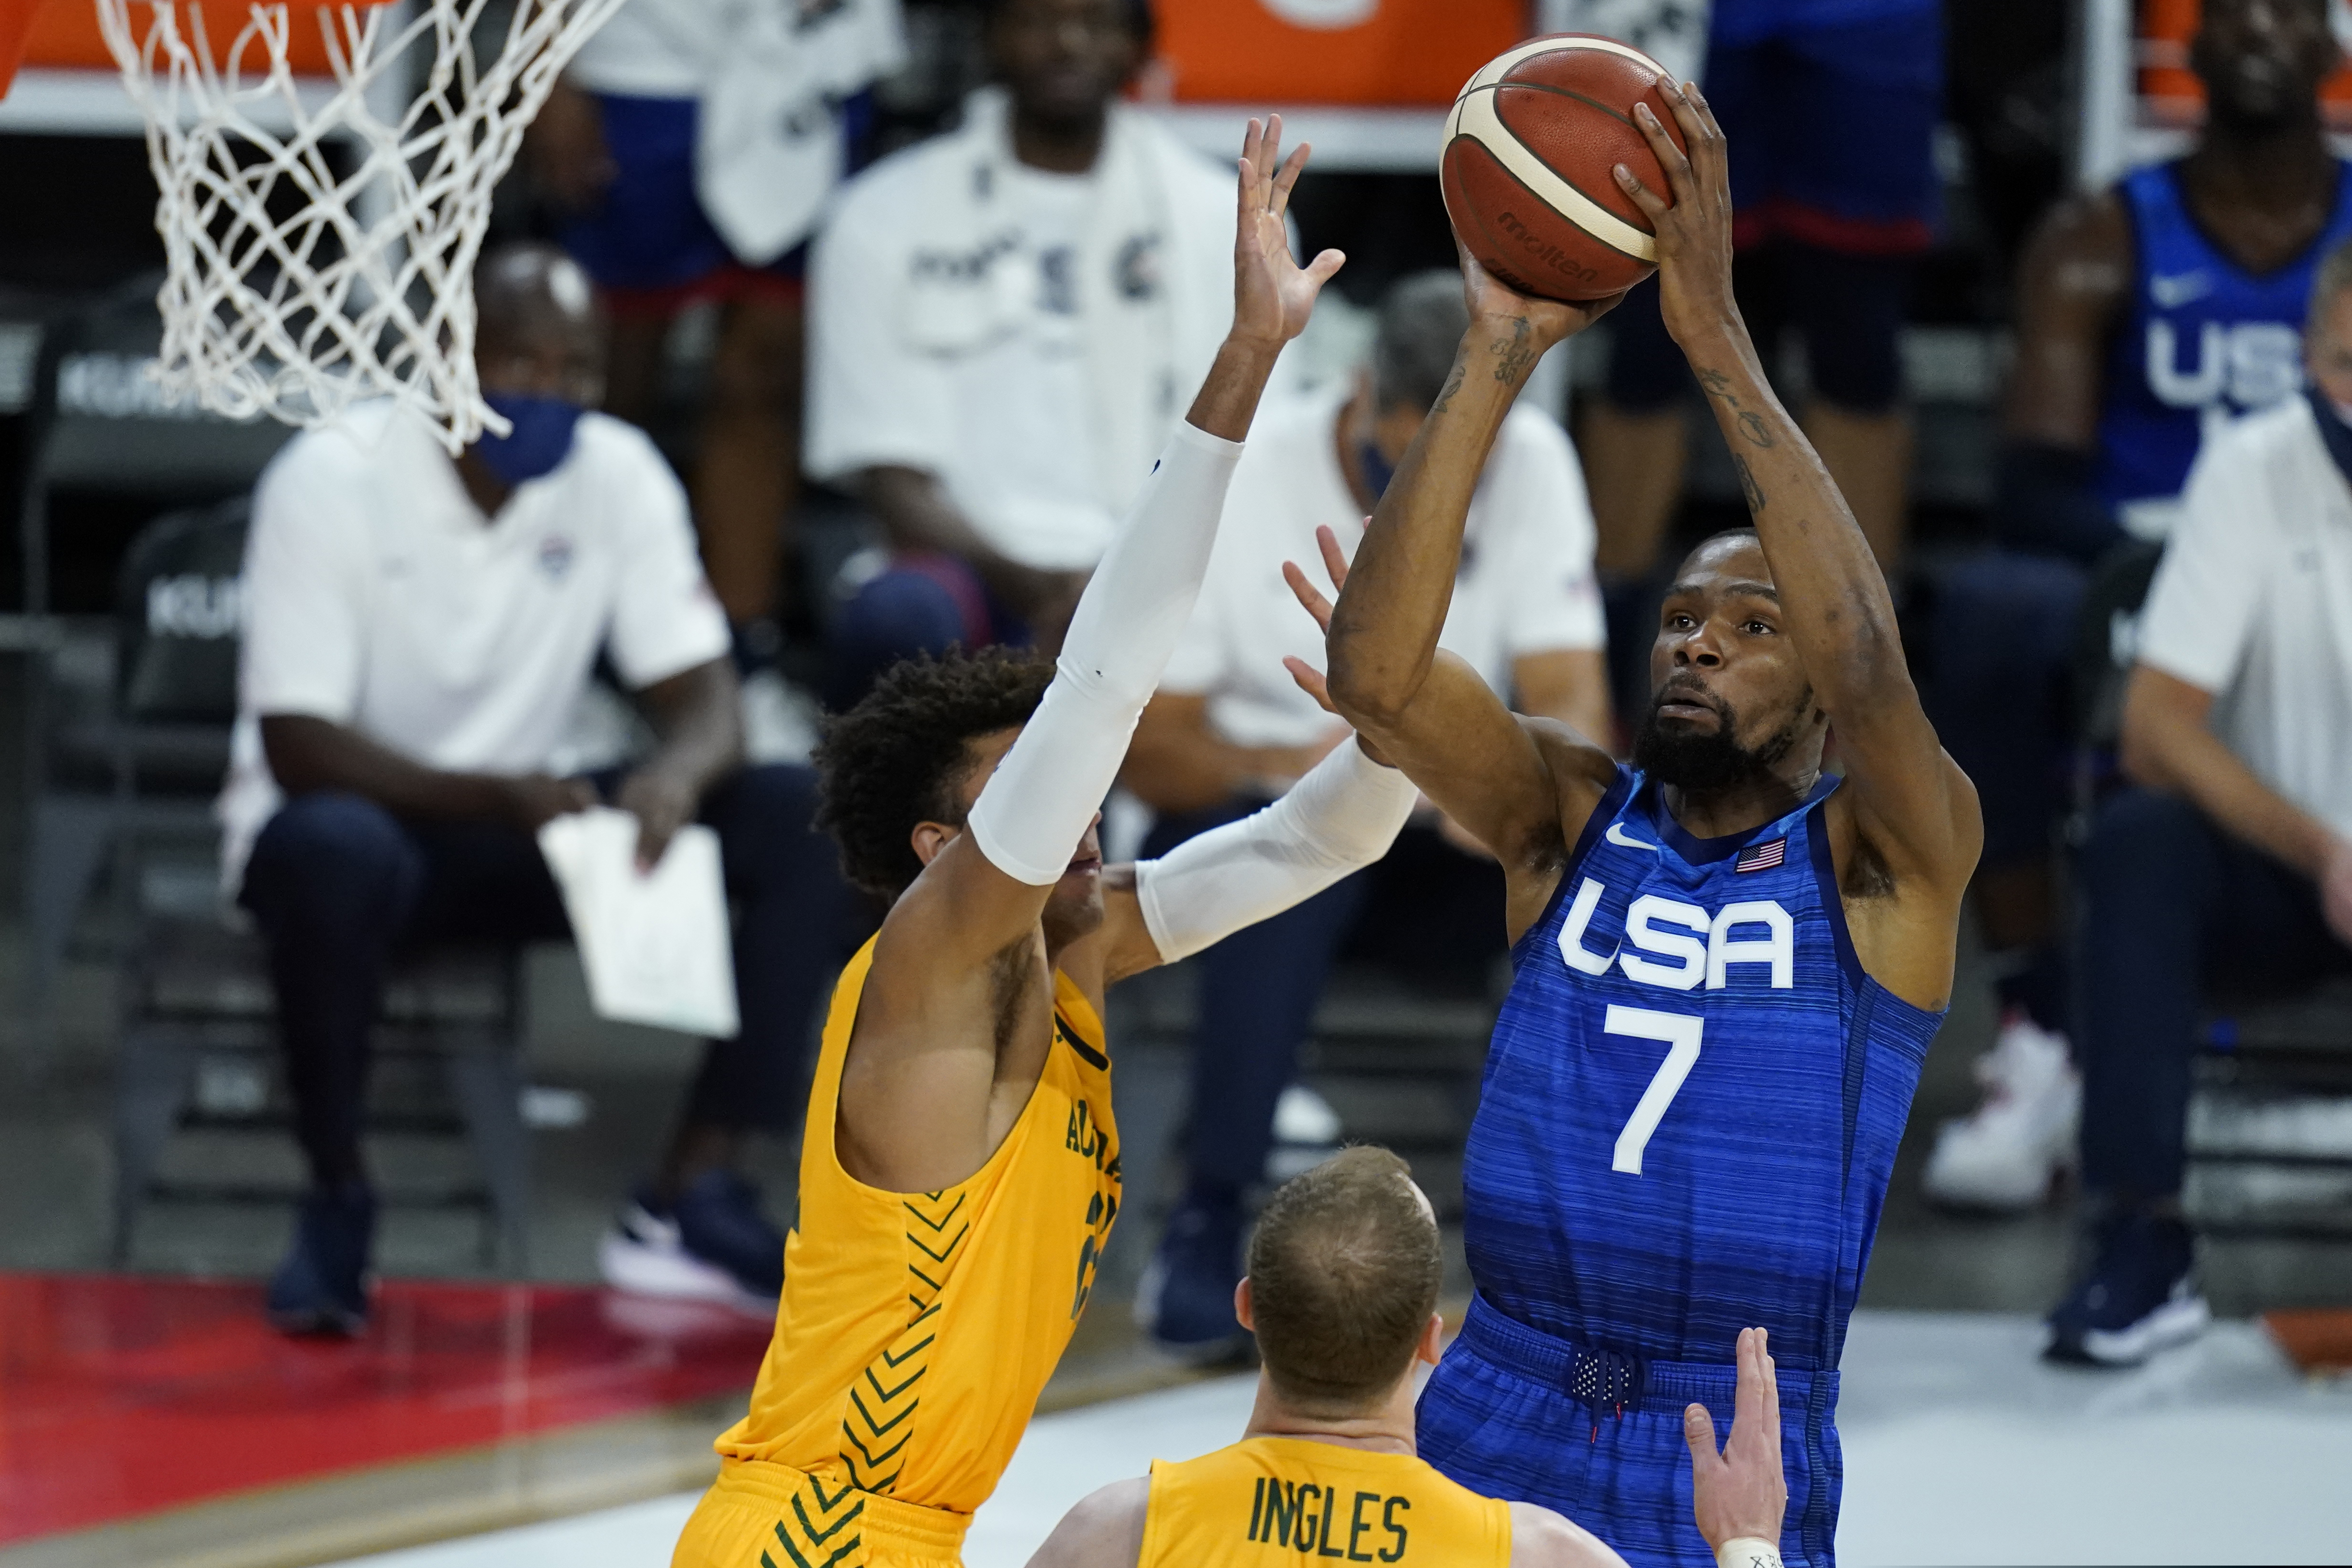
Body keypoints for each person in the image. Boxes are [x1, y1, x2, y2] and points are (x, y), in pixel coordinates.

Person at [670, 121, 1421, 1568]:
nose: (1075, 803)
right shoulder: (930, 957)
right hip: (809, 1536)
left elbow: (1316, 845)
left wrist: (1396, 705)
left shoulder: (1066, 949)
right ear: (942, 841)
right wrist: (1248, 358)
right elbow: (1103, 685)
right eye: (1024, 785)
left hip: (903, 1534)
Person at [1316, 83, 1979, 1568]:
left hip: (1726, 1427)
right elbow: (1375, 678)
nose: (1694, 643)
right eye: (1679, 618)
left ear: (1811, 682)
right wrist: (1495, 354)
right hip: (1494, 1382)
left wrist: (1714, 340)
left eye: (1750, 625)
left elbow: (1873, 664)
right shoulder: (1567, 813)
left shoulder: (1885, 862)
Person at [224, 245, 851, 1334]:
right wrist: (501, 795)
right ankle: (335, 1199)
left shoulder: (615, 472)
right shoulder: (330, 475)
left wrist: (673, 773)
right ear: (445, 356)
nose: (549, 392)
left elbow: (707, 695)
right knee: (333, 849)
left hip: (526, 824)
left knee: (797, 814)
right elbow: (298, 745)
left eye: (576, 369)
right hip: (362, 825)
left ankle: (690, 1192)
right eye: (520, 361)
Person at [1122, 269, 1613, 1360]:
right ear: (1364, 394)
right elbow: (1153, 744)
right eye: (1421, 447)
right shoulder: (1250, 475)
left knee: (1586, 846)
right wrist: (1297, 762)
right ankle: (1210, 1213)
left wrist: (1474, 775)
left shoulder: (1535, 465)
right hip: (1259, 814)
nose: (1446, 479)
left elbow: (1578, 710)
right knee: (1287, 854)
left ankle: (1548, 1250)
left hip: (1439, 831)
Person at [1922, 0, 2352, 1212]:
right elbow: (2031, 486)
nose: (2261, 32)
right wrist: (2198, 562)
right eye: (2233, 9)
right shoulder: (2102, 232)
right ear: (2188, 50)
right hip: (2148, 551)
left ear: (2334, 50)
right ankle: (2042, 1024)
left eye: (2292, 10)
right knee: (1998, 616)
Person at [2043, 236, 2352, 1368]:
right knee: (2139, 840)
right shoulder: (2253, 468)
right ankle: (2143, 1235)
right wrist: (2323, 849)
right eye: (2342, 362)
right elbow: (2157, 726)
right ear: (2314, 356)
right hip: (2285, 870)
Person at [805, 0, 1273, 706]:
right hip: (973, 577)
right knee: (896, 613)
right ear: (988, 36)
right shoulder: (880, 213)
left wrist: (1120, 587)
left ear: (1140, 47)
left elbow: (1255, 451)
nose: (1067, 42)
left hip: (1161, 575)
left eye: (1098, 20)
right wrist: (1043, 589)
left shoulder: (1220, 218)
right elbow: (887, 470)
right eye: (1036, 17)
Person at [1026, 1147, 1792, 1568]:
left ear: (1247, 1307)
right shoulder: (1533, 1555)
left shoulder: (1119, 1532)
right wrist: (1747, 1539)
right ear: (1431, 1340)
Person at [529, 0, 902, 668]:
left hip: (810, 52)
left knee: (764, 379)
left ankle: (737, 654)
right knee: (604, 384)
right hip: (640, 57)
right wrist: (547, 64)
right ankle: (571, 649)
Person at [1582, 0, 1941, 591]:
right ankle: (1593, 634)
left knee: (1857, 339)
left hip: (1867, 22)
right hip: (1673, 16)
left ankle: (1860, 644)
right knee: (1644, 323)